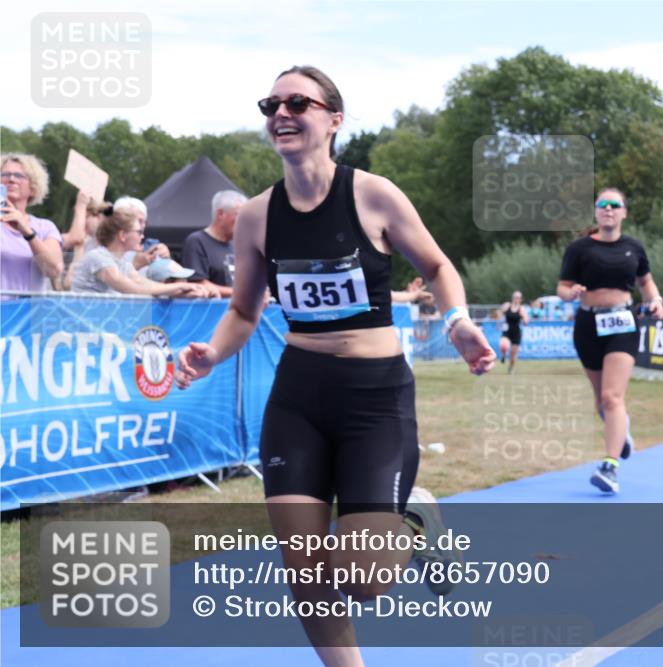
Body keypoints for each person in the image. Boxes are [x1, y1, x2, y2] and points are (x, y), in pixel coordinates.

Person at [175, 65, 494, 667]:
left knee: (364, 579)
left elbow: (439, 267)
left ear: (334, 119)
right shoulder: (256, 216)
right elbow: (244, 309)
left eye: (299, 101)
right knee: (303, 567)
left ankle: (414, 521)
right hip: (299, 397)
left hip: (375, 398)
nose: (281, 113)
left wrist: (456, 324)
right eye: (271, 103)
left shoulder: (373, 194)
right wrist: (212, 352)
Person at [558, 188, 663, 495]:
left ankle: (610, 466)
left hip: (622, 322)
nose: (608, 209)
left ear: (623, 213)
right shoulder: (579, 248)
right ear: (595, 212)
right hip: (588, 324)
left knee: (611, 397)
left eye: (614, 205)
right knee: (600, 400)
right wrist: (572, 293)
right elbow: (562, 287)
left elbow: (646, 282)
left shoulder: (634, 247)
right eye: (602, 204)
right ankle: (622, 431)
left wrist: (656, 301)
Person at [70, 208, 207, 298]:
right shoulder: (98, 257)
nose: (142, 236)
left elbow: (146, 285)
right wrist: (181, 286)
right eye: (138, 232)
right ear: (122, 235)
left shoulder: (122, 262)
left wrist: (187, 292)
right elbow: (131, 288)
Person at [0, 153, 64, 293]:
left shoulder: (45, 227)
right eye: (5, 174)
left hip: (28, 313)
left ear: (33, 187)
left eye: (19, 176)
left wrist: (27, 232)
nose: (11, 179)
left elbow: (53, 271)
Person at [182, 190, 248, 297]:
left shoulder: (238, 244)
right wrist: (241, 293)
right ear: (221, 214)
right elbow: (198, 283)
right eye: (240, 216)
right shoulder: (197, 241)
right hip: (212, 311)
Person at [498, 290, 530, 373]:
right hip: (507, 330)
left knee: (513, 354)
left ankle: (510, 368)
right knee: (503, 345)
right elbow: (498, 312)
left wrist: (523, 316)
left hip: (516, 332)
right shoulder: (507, 305)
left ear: (521, 299)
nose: (516, 299)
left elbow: (526, 322)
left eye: (518, 298)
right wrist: (500, 317)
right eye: (515, 297)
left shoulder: (522, 309)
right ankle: (504, 356)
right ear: (512, 298)